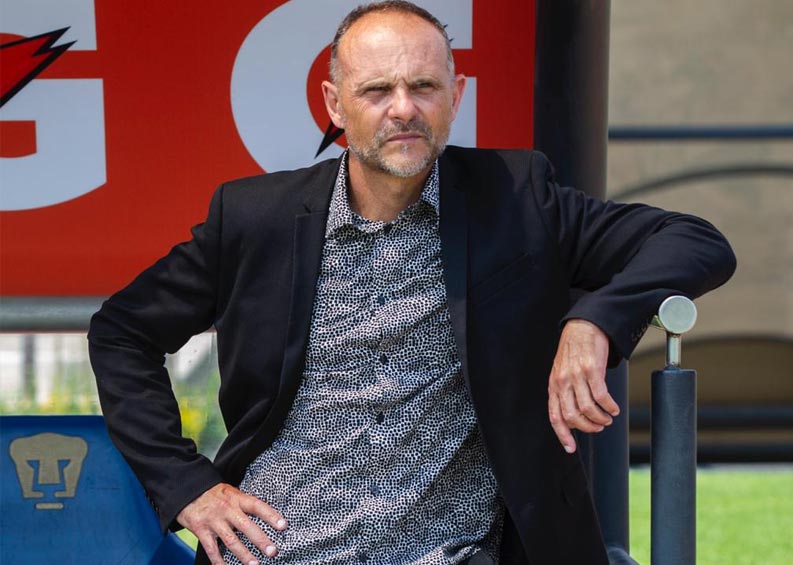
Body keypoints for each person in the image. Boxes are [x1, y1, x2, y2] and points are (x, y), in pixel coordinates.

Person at [88, 2, 736, 564]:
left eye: (424, 85)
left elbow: (696, 241)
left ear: (456, 97)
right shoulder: (254, 219)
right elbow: (122, 330)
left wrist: (593, 321)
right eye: (376, 91)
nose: (404, 110)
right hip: (278, 547)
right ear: (334, 104)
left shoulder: (518, 200)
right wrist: (187, 484)